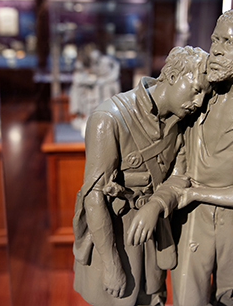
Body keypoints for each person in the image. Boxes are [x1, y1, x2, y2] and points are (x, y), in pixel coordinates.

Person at [128, 8, 233, 306]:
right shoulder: (198, 94)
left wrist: (196, 192)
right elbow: (176, 151)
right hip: (190, 223)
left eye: (228, 42)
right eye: (214, 40)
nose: (217, 52)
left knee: (227, 300)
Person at [73, 46, 210, 306]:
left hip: (152, 233)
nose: (199, 101)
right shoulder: (108, 119)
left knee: (152, 298)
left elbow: (180, 176)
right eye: (196, 89)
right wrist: (112, 265)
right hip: (113, 235)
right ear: (171, 77)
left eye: (204, 93)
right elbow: (93, 198)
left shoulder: (179, 122)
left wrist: (156, 204)